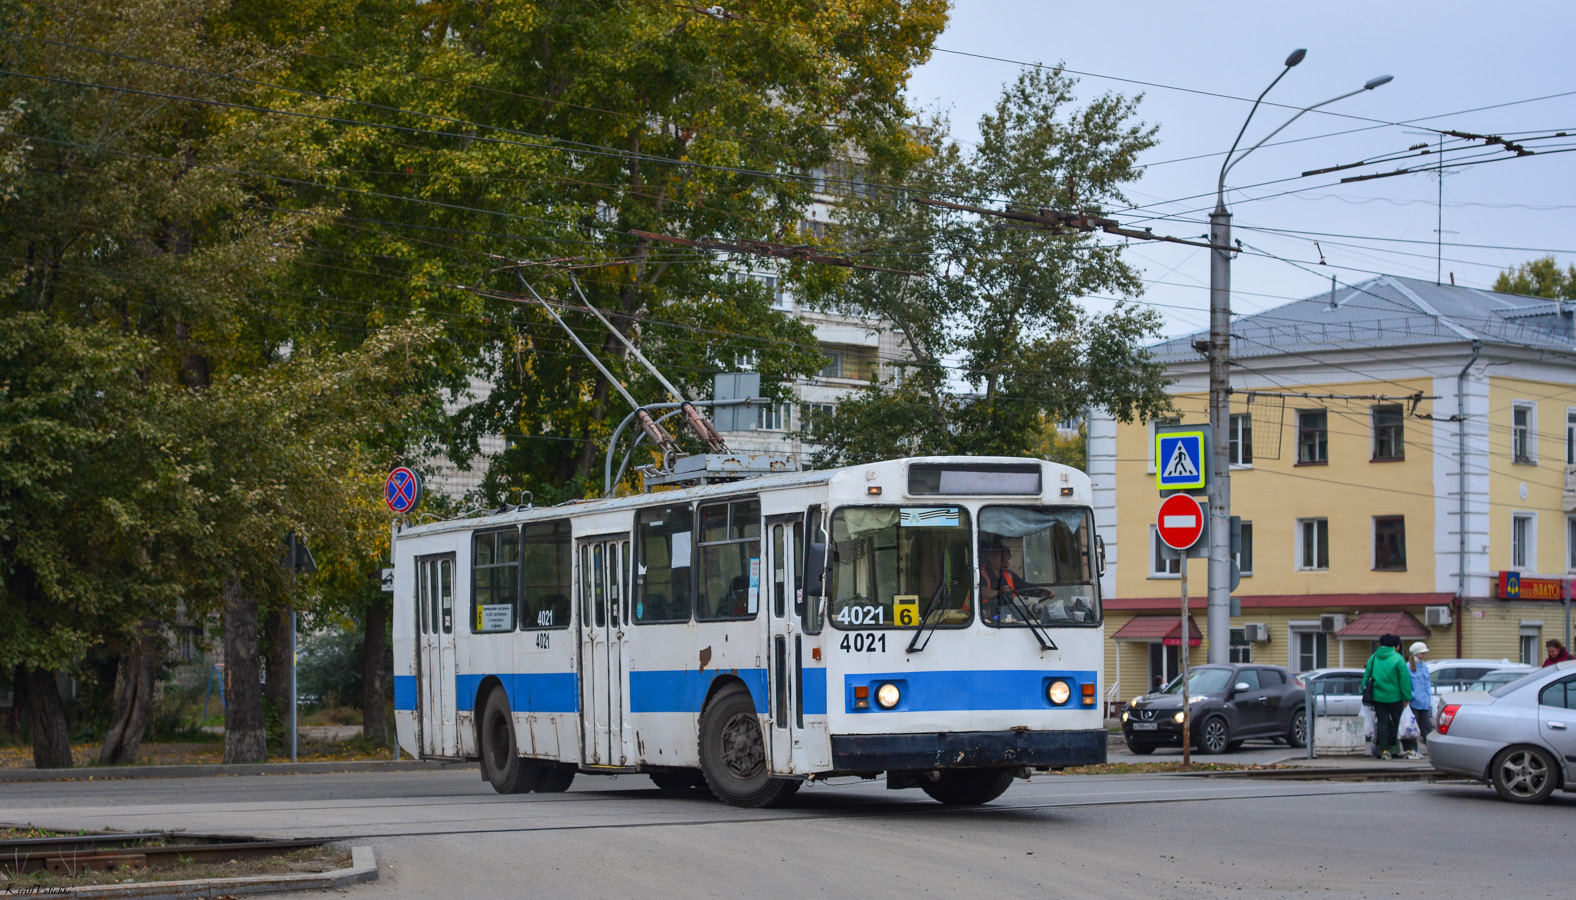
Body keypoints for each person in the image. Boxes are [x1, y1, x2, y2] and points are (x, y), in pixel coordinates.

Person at [1361, 633, 1413, 760]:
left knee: (1382, 723)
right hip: (1395, 697)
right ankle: (1408, 750)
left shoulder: (1373, 658)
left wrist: (1365, 691)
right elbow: (1404, 680)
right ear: (1395, 645)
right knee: (1400, 723)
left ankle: (1384, 751)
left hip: (1378, 697)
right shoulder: (1398, 659)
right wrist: (1407, 697)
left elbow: (1366, 678)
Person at [1401, 641, 1433, 760]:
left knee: (1426, 727)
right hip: (1413, 703)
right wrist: (1410, 697)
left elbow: (1427, 683)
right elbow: (1406, 684)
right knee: (1412, 728)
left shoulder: (1424, 666)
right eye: (1422, 653)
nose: (1424, 656)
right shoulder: (1408, 667)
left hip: (1424, 703)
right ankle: (1411, 750)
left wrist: (1429, 696)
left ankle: (1432, 749)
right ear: (1416, 654)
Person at [979, 542, 1024, 623]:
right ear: (992, 559)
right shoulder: (981, 574)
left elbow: (1025, 586)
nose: (1007, 562)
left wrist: (1041, 591)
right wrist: (999, 592)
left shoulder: (1009, 574)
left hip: (1004, 617)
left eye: (1009, 558)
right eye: (1003, 558)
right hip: (981, 619)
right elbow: (981, 591)